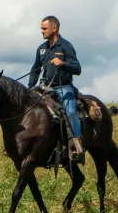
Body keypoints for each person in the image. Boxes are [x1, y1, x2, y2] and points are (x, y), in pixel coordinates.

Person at [27, 16, 84, 164]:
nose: (41, 31)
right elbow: (35, 70)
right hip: (44, 87)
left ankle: (77, 145)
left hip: (63, 87)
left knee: (70, 112)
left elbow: (77, 69)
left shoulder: (66, 46)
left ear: (54, 28)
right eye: (41, 28)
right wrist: (30, 88)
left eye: (44, 28)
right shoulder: (41, 49)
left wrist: (63, 63)